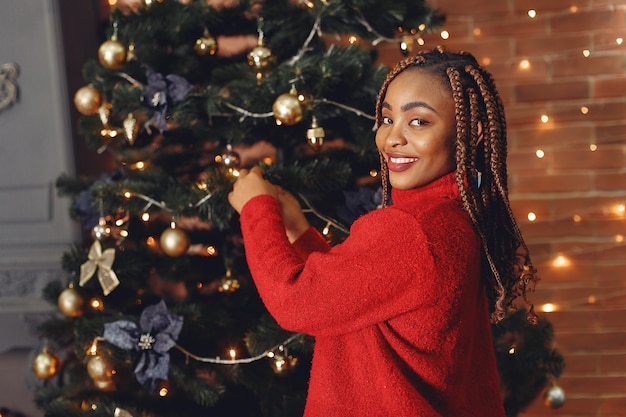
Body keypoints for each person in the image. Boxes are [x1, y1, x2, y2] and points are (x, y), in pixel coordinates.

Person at [228, 46, 539, 417]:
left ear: (470, 133)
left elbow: (296, 303)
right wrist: (297, 230)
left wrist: (255, 209)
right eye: (388, 119)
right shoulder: (454, 217)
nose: (392, 138)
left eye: (418, 122)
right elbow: (354, 296)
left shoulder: (410, 229)